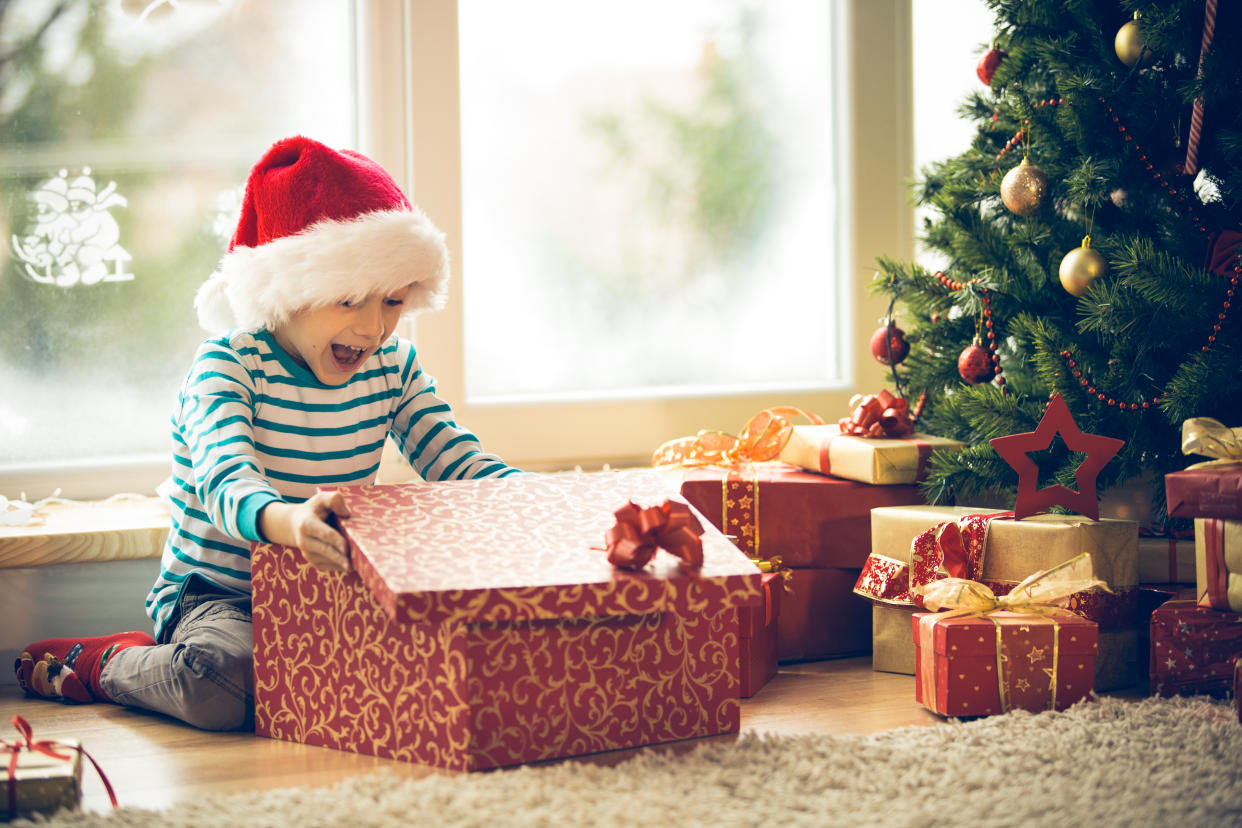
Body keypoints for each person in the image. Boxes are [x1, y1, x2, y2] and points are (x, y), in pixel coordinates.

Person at [15, 135, 520, 730]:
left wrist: (554, 505)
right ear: (287, 293)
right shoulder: (228, 365)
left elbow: (462, 464)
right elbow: (227, 482)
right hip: (220, 597)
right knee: (219, 687)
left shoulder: (394, 368)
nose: (372, 326)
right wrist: (291, 523)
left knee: (460, 659)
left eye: (391, 301)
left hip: (331, 587)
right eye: (348, 299)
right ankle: (106, 663)